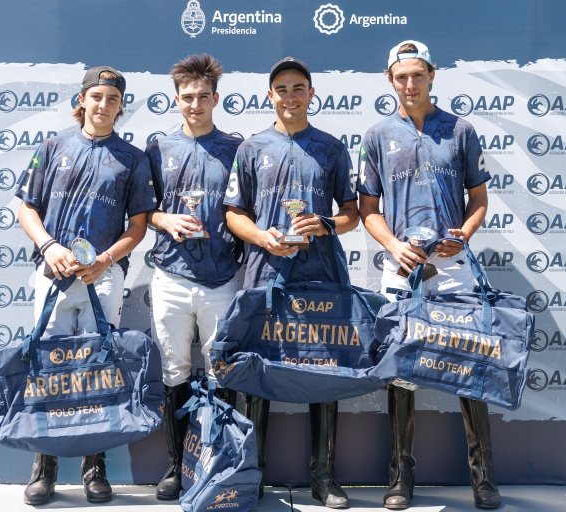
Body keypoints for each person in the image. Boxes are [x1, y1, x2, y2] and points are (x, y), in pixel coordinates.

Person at [357, 40, 499, 510]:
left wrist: (465, 235)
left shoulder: (460, 130)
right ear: (390, 80)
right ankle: (401, 477)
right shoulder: (378, 135)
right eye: (401, 77)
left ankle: (483, 477)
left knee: (470, 366)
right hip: (402, 268)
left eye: (418, 75)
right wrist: (394, 244)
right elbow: (368, 210)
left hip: (453, 268)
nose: (410, 84)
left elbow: (478, 200)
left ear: (432, 76)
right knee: (402, 373)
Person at [15, 66, 156, 506]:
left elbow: (138, 226)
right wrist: (49, 245)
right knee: (48, 367)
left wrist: (105, 260)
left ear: (120, 106)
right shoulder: (53, 146)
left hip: (103, 276)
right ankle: (46, 466)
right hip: (52, 273)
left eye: (112, 99)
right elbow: (25, 207)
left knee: (98, 366)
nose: (103, 105)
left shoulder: (132, 158)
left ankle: (95, 467)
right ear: (81, 101)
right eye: (96, 96)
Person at [224, 56, 359, 510]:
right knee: (258, 372)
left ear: (311, 93)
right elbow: (233, 213)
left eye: (298, 87)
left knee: (326, 371)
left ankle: (324, 477)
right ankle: (252, 474)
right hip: (266, 274)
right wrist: (262, 237)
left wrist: (324, 224)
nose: (290, 95)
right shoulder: (251, 148)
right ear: (270, 95)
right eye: (281, 88)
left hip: (322, 275)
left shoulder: (331, 147)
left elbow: (353, 213)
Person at [146, 53, 243, 501]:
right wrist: (165, 221)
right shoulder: (157, 147)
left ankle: (220, 463)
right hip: (171, 276)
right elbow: (141, 212)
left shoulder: (238, 147)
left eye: (203, 97)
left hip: (223, 277)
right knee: (174, 371)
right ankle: (176, 465)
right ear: (176, 100)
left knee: (223, 373)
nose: (195, 104)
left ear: (216, 99)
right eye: (187, 98)